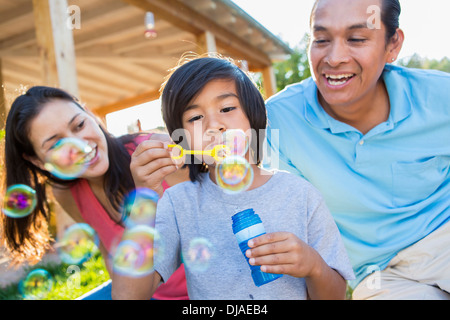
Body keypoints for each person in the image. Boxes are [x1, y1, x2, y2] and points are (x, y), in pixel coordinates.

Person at [111, 55, 354, 300]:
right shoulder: (179, 204)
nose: (213, 125)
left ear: (253, 115)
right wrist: (145, 197)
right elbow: (127, 296)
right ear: (182, 139)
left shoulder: (300, 194)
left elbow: (336, 296)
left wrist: (313, 266)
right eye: (195, 118)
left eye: (227, 109)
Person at [265, 0, 450, 299]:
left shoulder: (440, 97)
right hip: (381, 276)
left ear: (393, 46)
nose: (335, 58)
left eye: (357, 39)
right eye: (321, 40)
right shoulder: (277, 122)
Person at [1, 86, 189, 300]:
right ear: (38, 161)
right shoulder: (67, 193)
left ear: (90, 114)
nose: (80, 145)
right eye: (57, 145)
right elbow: (112, 256)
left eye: (79, 125)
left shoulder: (157, 153)